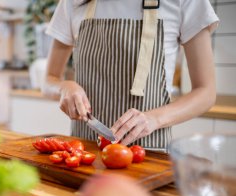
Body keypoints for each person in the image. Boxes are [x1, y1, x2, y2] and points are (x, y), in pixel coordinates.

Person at [45, 0, 219, 151]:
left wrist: (154, 119)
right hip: (84, 153)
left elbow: (206, 92)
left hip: (148, 154)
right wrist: (64, 88)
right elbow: (49, 80)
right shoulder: (72, 2)